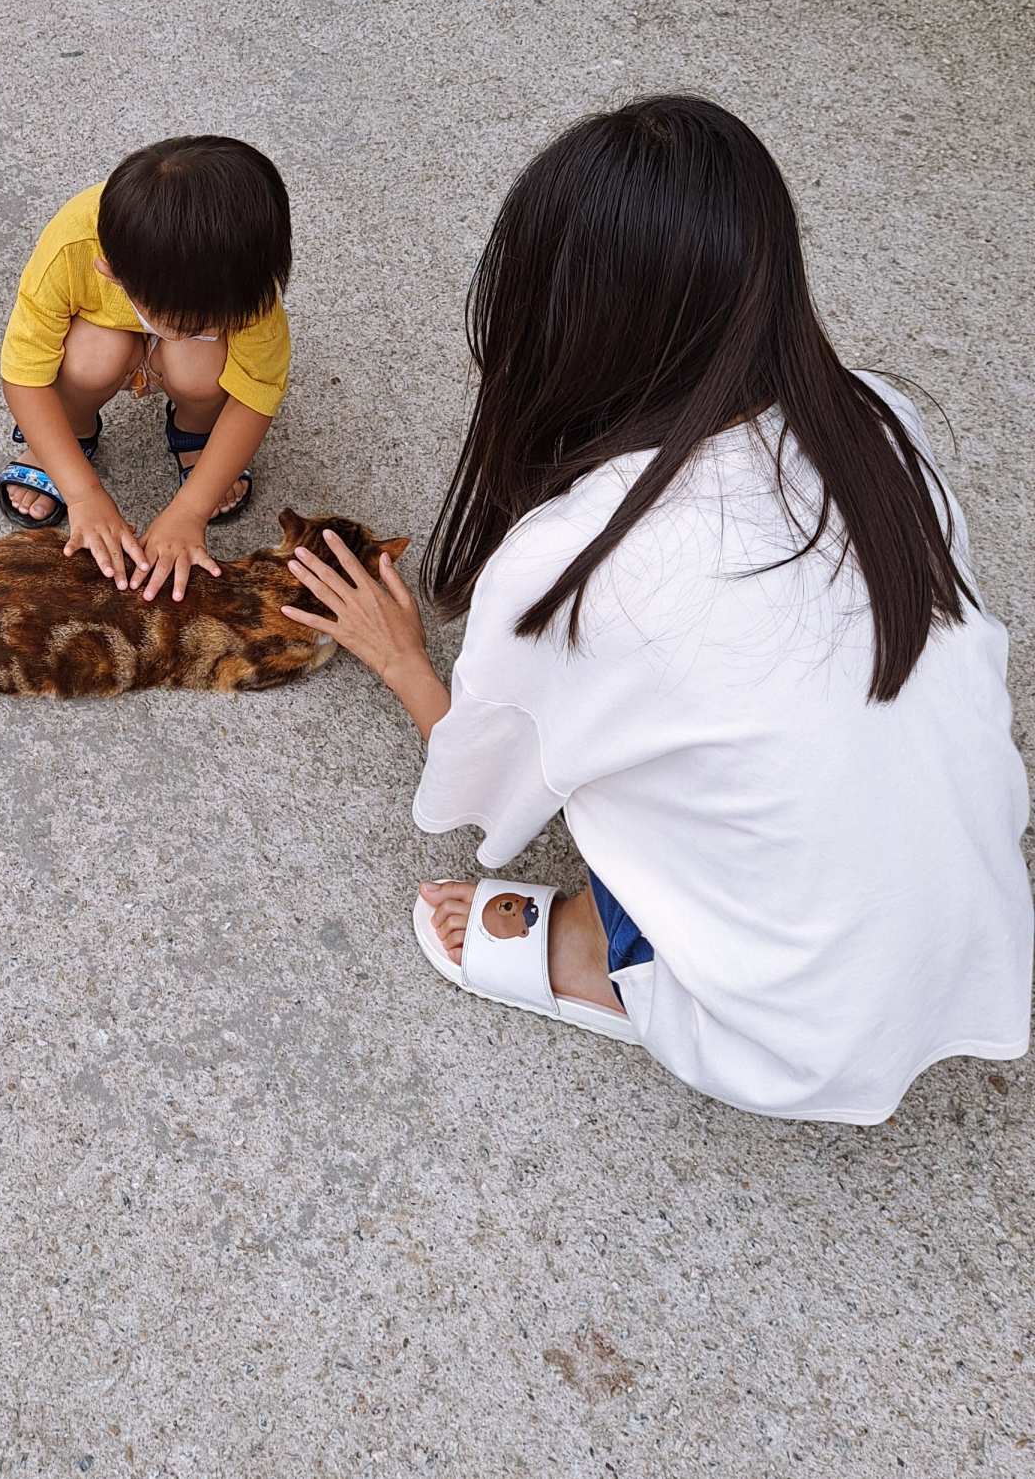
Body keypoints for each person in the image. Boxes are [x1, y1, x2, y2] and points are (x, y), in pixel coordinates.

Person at [283, 95, 1030, 1123]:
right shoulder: (877, 416)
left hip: (788, 1035)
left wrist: (402, 654)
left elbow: (492, 801)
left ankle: (608, 949)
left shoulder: (578, 559)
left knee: (609, 780)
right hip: (977, 938)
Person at [0, 136, 292, 604]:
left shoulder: (245, 284)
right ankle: (66, 439)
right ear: (110, 271)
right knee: (94, 357)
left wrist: (190, 511)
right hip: (98, 334)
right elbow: (24, 373)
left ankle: (195, 435)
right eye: (188, 323)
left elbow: (255, 394)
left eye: (216, 322)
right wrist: (83, 495)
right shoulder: (72, 245)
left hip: (187, 362)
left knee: (202, 367)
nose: (208, 326)